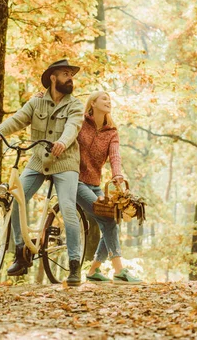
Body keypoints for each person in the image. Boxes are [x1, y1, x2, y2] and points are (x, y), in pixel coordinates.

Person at [0, 59, 85, 286]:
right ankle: (21, 253)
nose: (70, 78)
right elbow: (18, 119)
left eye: (72, 74)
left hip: (65, 162)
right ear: (53, 77)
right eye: (66, 74)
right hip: (39, 159)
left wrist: (62, 141)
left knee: (68, 208)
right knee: (15, 198)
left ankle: (75, 263)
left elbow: (73, 127)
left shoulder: (75, 105)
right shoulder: (36, 102)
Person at [75, 91, 142, 285]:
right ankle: (119, 270)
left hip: (95, 184)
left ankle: (94, 270)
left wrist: (117, 175)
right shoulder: (79, 123)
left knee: (111, 220)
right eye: (104, 99)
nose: (108, 102)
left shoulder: (111, 131)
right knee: (107, 219)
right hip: (76, 182)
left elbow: (115, 155)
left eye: (110, 100)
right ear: (93, 103)